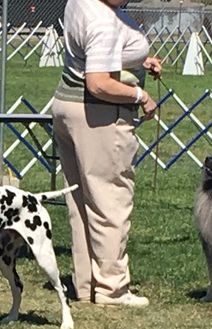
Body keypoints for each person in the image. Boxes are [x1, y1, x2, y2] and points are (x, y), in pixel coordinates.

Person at [51, 0, 161, 307]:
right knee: (110, 199)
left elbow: (95, 56)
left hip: (66, 106)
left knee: (80, 201)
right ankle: (112, 288)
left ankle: (86, 285)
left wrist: (138, 64)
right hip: (99, 115)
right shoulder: (103, 21)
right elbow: (98, 82)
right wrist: (140, 94)